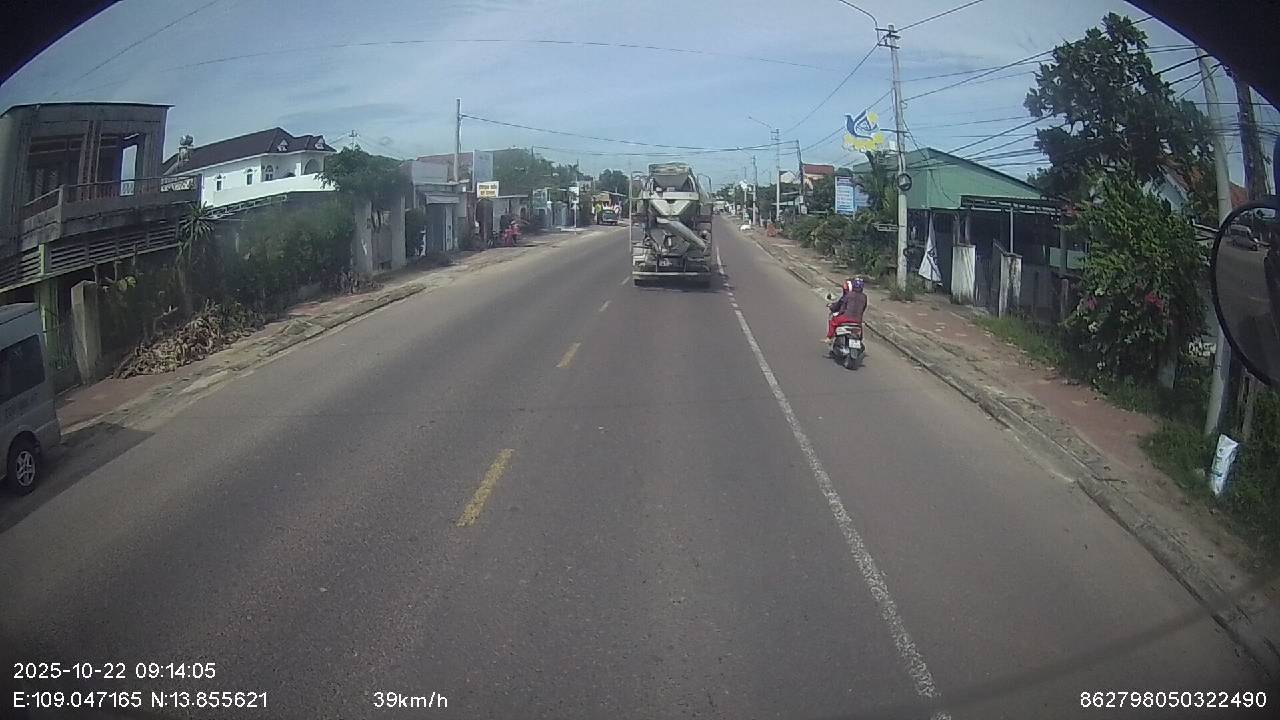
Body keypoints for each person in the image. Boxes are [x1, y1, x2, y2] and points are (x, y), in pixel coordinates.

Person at [825, 277, 868, 342]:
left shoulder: (848, 295)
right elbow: (863, 309)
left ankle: (829, 337)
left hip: (846, 318)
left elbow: (841, 307)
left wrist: (837, 312)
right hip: (858, 320)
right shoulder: (864, 297)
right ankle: (860, 339)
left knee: (832, 319)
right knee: (860, 326)